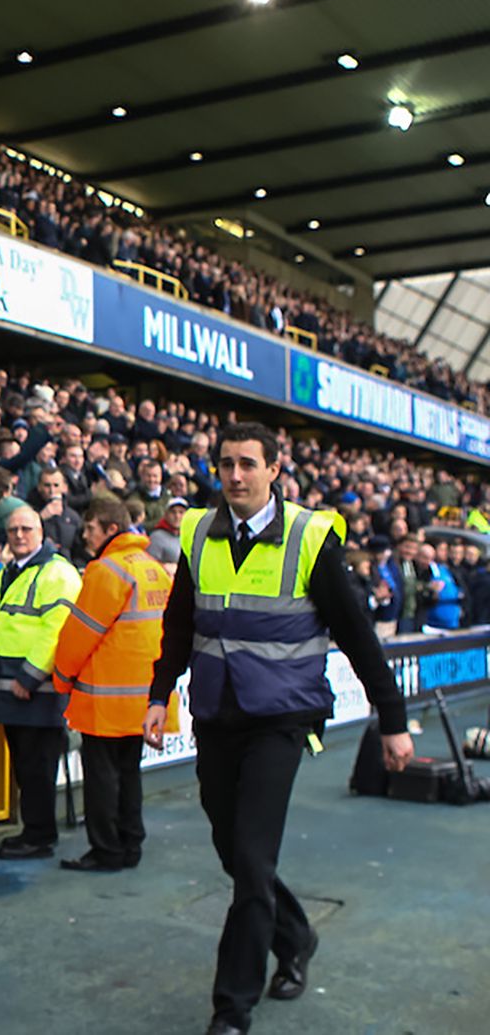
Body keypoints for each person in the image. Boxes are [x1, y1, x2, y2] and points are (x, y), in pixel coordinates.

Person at [145, 421, 413, 1035]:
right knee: (235, 854)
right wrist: (159, 695)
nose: (234, 475)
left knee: (251, 858)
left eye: (247, 464)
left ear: (274, 470)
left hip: (281, 723)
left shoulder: (310, 539)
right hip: (216, 718)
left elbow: (358, 636)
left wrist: (392, 720)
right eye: (225, 464)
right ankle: (295, 938)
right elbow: (180, 625)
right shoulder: (197, 534)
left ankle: (231, 1008)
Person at [50, 495, 171, 872]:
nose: (84, 533)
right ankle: (131, 844)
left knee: (103, 780)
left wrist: (61, 678)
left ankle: (107, 850)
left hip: (105, 699)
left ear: (110, 529)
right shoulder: (151, 568)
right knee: (129, 775)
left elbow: (81, 633)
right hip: (142, 697)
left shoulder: (107, 570)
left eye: (90, 527)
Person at [0, 504, 81, 859]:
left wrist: (30, 676)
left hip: (38, 692)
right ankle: (33, 831)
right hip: (8, 690)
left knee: (37, 768)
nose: (18, 535)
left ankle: (39, 837)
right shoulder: (6, 573)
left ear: (42, 533)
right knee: (24, 766)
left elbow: (58, 630)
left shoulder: (57, 573)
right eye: (13, 530)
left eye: (26, 529)